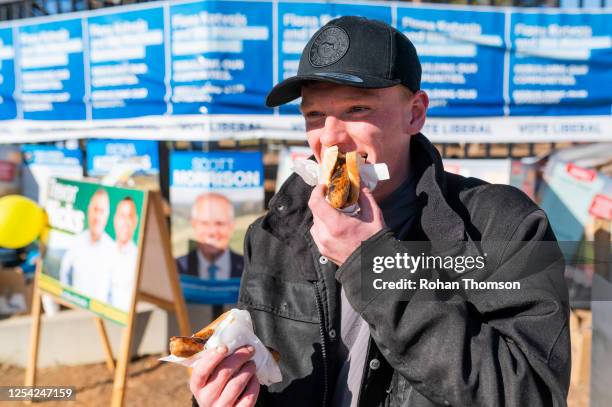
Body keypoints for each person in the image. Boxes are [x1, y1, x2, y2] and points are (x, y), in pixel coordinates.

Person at [189, 16, 570, 407]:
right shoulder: (272, 234)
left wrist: (371, 262)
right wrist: (225, 393)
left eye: (357, 109)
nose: (331, 138)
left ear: (415, 113)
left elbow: (533, 395)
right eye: (315, 115)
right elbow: (267, 375)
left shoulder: (503, 225)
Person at [59, 188, 114, 303]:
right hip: (76, 307)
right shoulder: (76, 241)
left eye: (101, 211)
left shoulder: (112, 249)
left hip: (103, 311)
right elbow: (64, 273)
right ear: (89, 210)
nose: (97, 216)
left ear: (107, 215)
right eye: (95, 209)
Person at [176, 192, 244, 280]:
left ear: (231, 226)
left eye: (219, 223)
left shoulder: (248, 268)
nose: (212, 232)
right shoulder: (176, 267)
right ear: (194, 225)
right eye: (204, 223)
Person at [109, 196, 139, 311]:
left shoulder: (139, 258)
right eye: (122, 216)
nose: (125, 222)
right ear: (115, 219)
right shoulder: (103, 252)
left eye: (129, 216)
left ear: (135, 221)